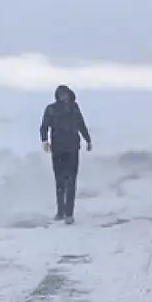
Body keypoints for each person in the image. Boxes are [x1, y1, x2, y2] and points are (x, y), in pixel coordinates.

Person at [39, 84, 92, 224]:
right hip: (57, 149)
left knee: (71, 181)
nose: (64, 97)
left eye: (66, 94)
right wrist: (44, 141)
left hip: (73, 149)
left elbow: (81, 124)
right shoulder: (51, 109)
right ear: (57, 96)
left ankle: (69, 213)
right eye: (61, 94)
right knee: (59, 181)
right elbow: (44, 126)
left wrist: (88, 140)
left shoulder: (74, 108)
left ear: (70, 95)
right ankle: (60, 211)